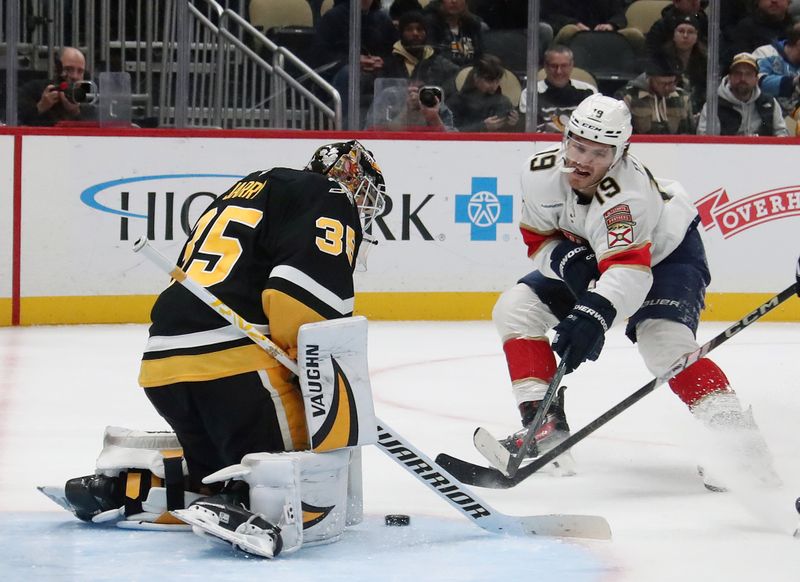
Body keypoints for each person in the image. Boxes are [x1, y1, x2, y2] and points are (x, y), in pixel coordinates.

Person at [492, 94, 779, 490]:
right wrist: (567, 261)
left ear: (621, 153)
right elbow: (537, 238)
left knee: (662, 340)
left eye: (599, 152)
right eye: (577, 146)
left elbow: (629, 272)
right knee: (515, 308)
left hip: (665, 256)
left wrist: (592, 315)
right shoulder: (538, 172)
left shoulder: (627, 195)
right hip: (599, 254)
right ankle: (545, 427)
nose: (584, 160)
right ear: (565, 138)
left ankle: (739, 443)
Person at [697, 52, 788, 136]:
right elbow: (704, 140)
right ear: (729, 77)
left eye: (748, 74)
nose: (743, 78)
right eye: (738, 73)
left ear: (756, 79)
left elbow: (781, 133)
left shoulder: (769, 103)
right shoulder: (713, 106)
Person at [519, 44, 597, 133]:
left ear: (572, 65)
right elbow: (531, 133)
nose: (559, 71)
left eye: (564, 66)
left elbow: (593, 129)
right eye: (553, 66)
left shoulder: (589, 92)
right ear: (545, 66)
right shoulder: (530, 93)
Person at [380, 10, 460, 94]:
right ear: (401, 34)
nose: (415, 33)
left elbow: (457, 84)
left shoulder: (441, 64)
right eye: (409, 29)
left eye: (420, 29)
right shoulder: (388, 65)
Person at [17, 46, 94, 126]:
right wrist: (40, 107)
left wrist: (75, 112)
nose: (75, 76)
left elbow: (96, 133)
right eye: (68, 69)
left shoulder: (89, 99)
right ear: (56, 69)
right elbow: (13, 122)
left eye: (80, 71)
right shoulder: (33, 90)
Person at [616, 58, 695, 134]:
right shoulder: (628, 97)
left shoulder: (682, 97)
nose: (669, 88)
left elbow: (689, 133)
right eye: (663, 84)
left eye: (672, 83)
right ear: (650, 78)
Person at [446, 54, 519, 132]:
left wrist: (513, 124)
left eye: (497, 81)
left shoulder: (503, 102)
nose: (494, 86)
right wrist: (482, 127)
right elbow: (450, 132)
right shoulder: (456, 102)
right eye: (489, 81)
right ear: (476, 78)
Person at [543, 0, 646, 54]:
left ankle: (642, 77)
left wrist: (611, 25)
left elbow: (619, 15)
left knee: (634, 34)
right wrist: (576, 24)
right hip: (574, 32)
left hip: (606, 34)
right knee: (569, 30)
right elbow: (552, 15)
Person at [655, 14, 708, 114]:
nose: (685, 36)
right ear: (674, 35)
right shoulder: (661, 59)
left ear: (697, 36)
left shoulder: (705, 61)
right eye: (681, 31)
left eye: (690, 32)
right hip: (668, 110)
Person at [364, 78, 456, 130]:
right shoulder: (389, 98)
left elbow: (456, 143)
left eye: (420, 89)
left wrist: (433, 118)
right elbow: (374, 135)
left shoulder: (438, 106)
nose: (415, 96)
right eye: (410, 88)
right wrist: (406, 111)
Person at [423, 0, 484, 67]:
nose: (454, 1)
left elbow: (479, 55)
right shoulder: (430, 24)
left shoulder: (472, 25)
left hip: (470, 73)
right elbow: (432, 57)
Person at [755, 26, 800, 117]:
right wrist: (794, 81)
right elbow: (757, 82)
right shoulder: (766, 52)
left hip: (792, 122)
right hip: (762, 118)